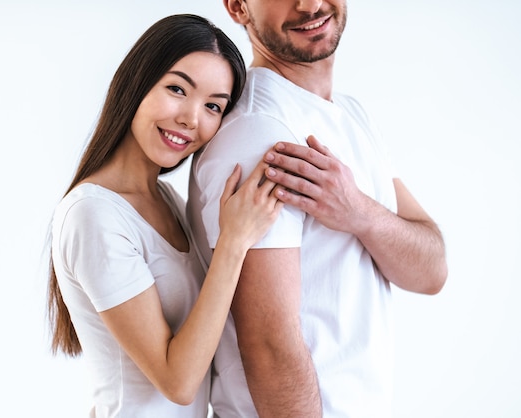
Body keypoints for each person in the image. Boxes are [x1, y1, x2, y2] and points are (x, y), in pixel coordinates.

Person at [187, 1, 449, 417]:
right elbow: (270, 346)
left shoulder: (352, 115)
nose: (309, 5)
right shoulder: (261, 131)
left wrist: (359, 212)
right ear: (238, 7)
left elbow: (432, 270)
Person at [47, 14, 285, 417]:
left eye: (213, 106)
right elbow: (178, 382)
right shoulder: (93, 214)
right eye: (177, 89)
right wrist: (234, 241)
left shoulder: (168, 200)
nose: (191, 119)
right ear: (137, 82)